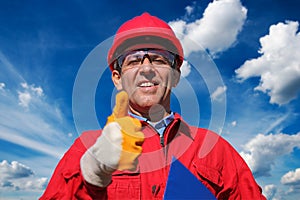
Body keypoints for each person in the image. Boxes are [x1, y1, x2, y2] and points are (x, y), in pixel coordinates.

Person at [40, 12, 266, 199]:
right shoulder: (86, 148)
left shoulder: (215, 149)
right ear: (117, 78)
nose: (146, 68)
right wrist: (90, 175)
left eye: (159, 59)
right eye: (134, 60)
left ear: (176, 76)